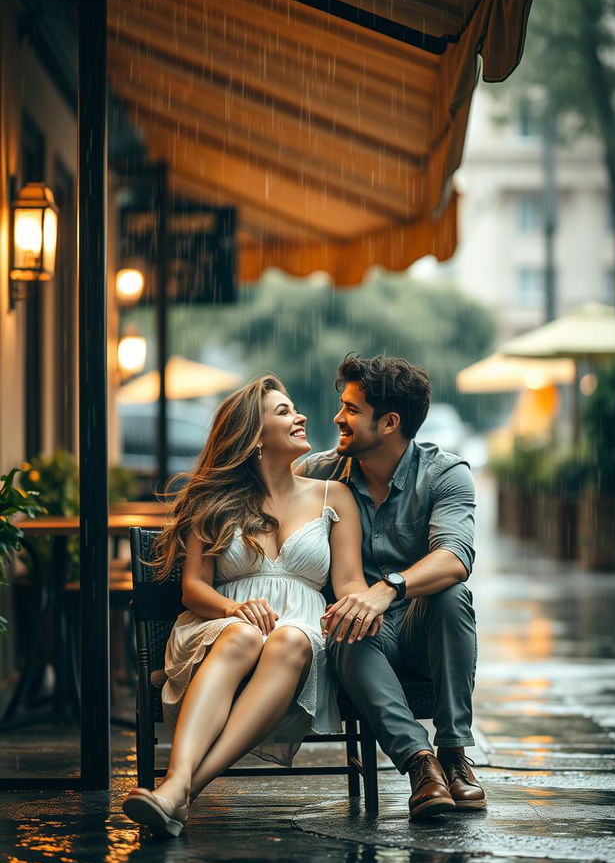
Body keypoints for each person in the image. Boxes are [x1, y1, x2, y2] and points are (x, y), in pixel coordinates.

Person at [123, 375, 380, 837]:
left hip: (299, 633)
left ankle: (180, 790)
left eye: (294, 408)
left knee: (292, 640)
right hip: (219, 626)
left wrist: (373, 603)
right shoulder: (210, 500)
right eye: (283, 412)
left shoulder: (334, 497)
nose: (300, 416)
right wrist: (231, 610)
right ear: (252, 435)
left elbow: (348, 582)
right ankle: (177, 784)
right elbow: (192, 589)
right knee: (242, 635)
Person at [298, 354, 486, 821]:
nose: (337, 418)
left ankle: (454, 753)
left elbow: (455, 558)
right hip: (363, 640)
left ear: (389, 423)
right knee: (342, 623)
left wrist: (386, 589)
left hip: (424, 632)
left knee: (450, 595)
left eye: (351, 410)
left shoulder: (445, 473)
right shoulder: (318, 476)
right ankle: (421, 765)